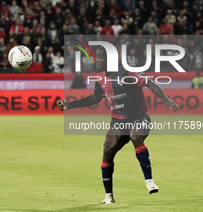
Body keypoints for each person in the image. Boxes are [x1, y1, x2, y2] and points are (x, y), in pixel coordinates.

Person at [57, 46, 179, 204]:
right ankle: (109, 196)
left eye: (100, 57)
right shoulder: (100, 78)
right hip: (118, 122)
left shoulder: (128, 71)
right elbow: (95, 98)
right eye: (97, 57)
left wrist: (165, 99)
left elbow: (149, 83)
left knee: (136, 136)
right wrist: (69, 105)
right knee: (107, 150)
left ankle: (149, 181)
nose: (97, 60)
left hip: (138, 117)